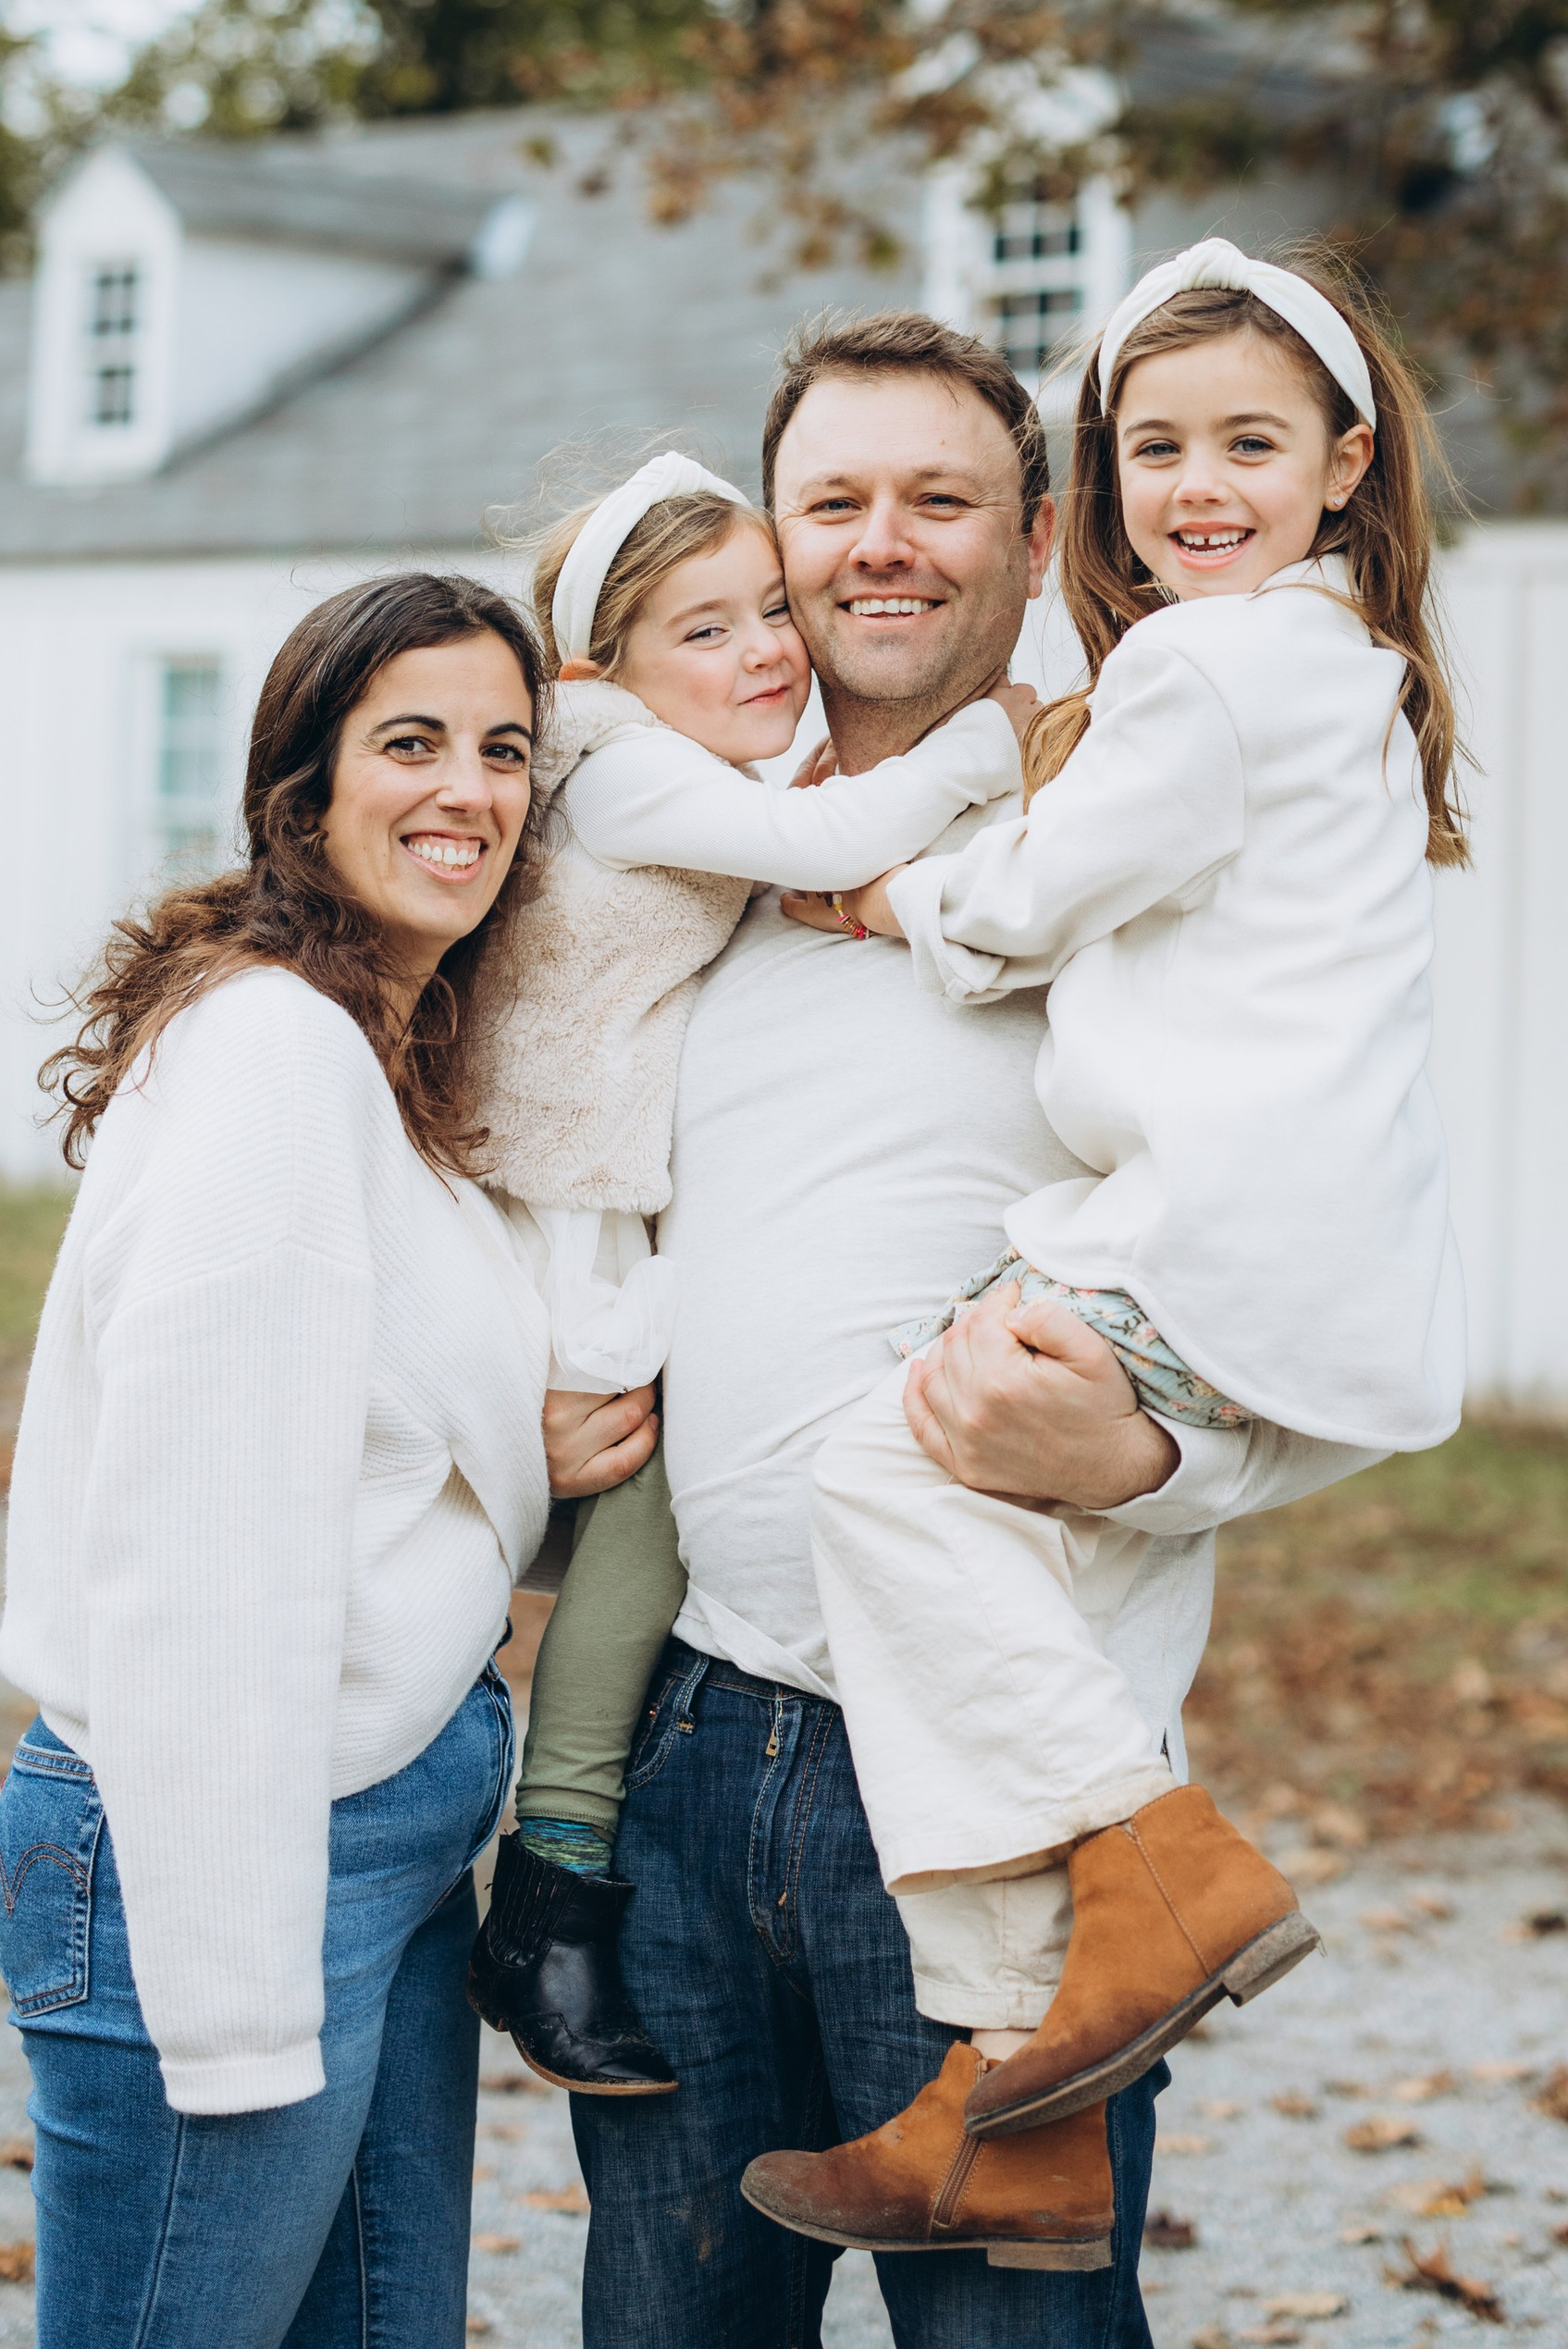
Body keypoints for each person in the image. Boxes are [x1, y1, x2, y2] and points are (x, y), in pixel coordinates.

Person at [572, 312, 1375, 2346]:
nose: (880, 544)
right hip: (681, 1743)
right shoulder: (690, 862)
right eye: (830, 500)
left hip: (978, 1807)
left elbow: (1308, 1244)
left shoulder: (1127, 832)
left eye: (941, 499)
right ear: (769, 537)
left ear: (1036, 540)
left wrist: (1164, 1452)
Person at [740, 238, 1468, 2269]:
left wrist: (906, 905)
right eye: (1156, 445)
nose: (1196, 486)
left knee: (886, 1468)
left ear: (1343, 464)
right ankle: (1016, 2116)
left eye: (1246, 441)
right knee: (976, 1537)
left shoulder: (1207, 665)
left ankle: (1167, 1871)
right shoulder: (1343, 672)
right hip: (1287, 1247)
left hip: (1199, 1230)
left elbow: (1053, 885)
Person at [0, 571, 647, 2349]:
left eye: (508, 748)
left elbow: (348, 1438)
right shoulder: (276, 1053)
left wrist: (512, 1466)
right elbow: (197, 1551)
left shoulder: (371, 1048)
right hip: (227, 1849)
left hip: (391, 1823)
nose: (469, 789)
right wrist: (230, 2010)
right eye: (410, 742)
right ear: (306, 786)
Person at [461, 449, 1022, 2092]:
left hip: (604, 1180)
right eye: (706, 631)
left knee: (645, 1496)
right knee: (623, 1486)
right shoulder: (623, 772)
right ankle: (529, 1868)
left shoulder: (676, 758)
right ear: (599, 675)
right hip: (558, 1182)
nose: (766, 649)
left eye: (771, 607)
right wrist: (999, 737)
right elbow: (835, 831)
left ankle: (545, 1880)